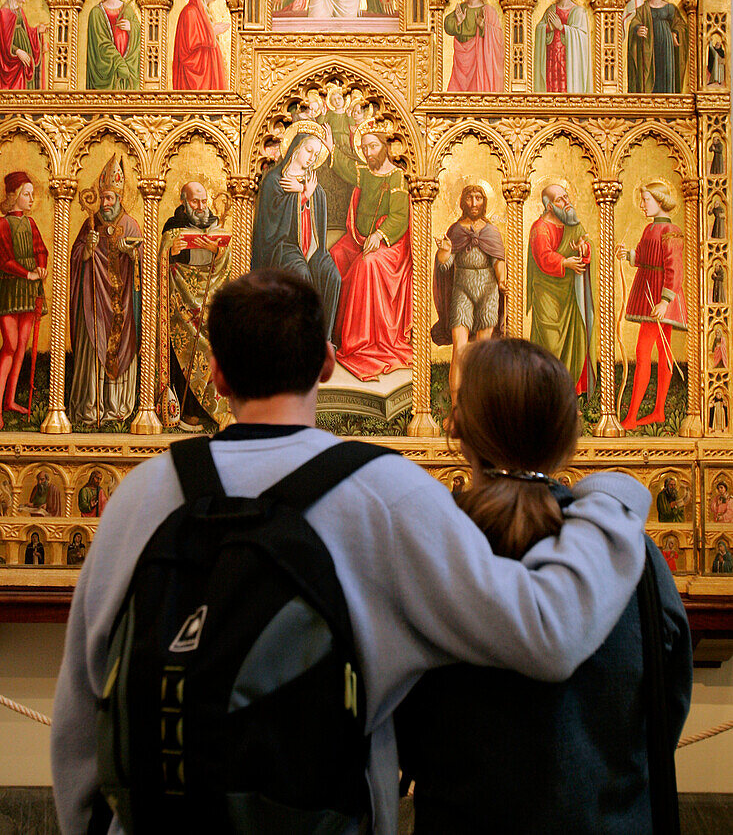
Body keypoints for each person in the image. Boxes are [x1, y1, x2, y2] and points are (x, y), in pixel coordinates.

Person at [52, 268, 652, 835]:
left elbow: (83, 704)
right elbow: (546, 630)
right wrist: (610, 500)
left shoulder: (142, 494)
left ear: (216, 375)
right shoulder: (385, 492)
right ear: (328, 362)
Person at [396, 337, 691, 835]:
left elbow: (398, 712)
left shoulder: (431, 547)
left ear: (457, 427)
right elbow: (666, 701)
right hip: (610, 818)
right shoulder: (630, 552)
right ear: (569, 434)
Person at [325, 119, 412, 379]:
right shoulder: (365, 171)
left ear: (384, 146)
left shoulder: (397, 176)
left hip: (390, 246)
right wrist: (331, 148)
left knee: (367, 265)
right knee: (334, 256)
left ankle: (361, 340)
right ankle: (334, 333)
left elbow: (399, 216)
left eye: (373, 146)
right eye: (364, 148)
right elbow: (345, 168)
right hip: (359, 239)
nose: (368, 152)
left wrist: (381, 234)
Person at [69, 155, 142, 426]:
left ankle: (117, 407)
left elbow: (144, 262)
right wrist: (87, 248)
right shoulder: (91, 224)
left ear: (121, 198)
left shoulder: (131, 224)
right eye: (104, 199)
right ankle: (91, 407)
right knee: (92, 345)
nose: (106, 204)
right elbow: (76, 257)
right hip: (94, 303)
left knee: (121, 347)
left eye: (111, 198)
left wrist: (131, 253)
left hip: (122, 304)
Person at [252, 124, 341, 341]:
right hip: (283, 246)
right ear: (296, 148)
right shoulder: (274, 179)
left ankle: (324, 341)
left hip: (312, 248)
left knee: (333, 276)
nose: (312, 157)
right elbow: (271, 220)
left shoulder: (311, 181)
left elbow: (318, 205)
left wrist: (307, 193)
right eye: (309, 150)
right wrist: (301, 196)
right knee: (302, 275)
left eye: (316, 154)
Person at [159, 180, 230, 430]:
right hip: (181, 303)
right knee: (182, 356)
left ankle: (212, 412)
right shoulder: (173, 227)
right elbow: (160, 263)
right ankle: (187, 411)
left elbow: (227, 265)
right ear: (183, 202)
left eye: (203, 201)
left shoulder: (215, 226)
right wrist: (170, 251)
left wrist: (218, 253)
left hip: (210, 299)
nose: (200, 207)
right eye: (194, 201)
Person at [617, 180, 687, 430]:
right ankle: (657, 412)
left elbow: (675, 269)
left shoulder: (672, 231)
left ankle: (632, 417)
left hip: (660, 297)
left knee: (644, 351)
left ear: (659, 201)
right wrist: (628, 255)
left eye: (646, 200)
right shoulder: (649, 230)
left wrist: (665, 301)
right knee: (661, 351)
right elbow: (644, 256)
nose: (642, 205)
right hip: (648, 290)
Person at [432, 184, 506, 411]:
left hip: (488, 291)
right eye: (470, 198)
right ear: (463, 202)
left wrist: (502, 279)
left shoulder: (492, 232)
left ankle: (480, 408)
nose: (474, 203)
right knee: (460, 349)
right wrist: (444, 251)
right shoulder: (455, 230)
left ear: (484, 202)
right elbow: (445, 266)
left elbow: (498, 259)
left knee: (483, 350)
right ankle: (456, 410)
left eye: (478, 198)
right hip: (461, 290)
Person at [526, 183, 595, 395]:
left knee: (572, 343)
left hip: (569, 292)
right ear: (549, 206)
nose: (566, 203)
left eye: (566, 197)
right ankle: (546, 393)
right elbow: (543, 257)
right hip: (547, 292)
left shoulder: (573, 225)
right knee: (551, 342)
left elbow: (585, 244)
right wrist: (565, 263)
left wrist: (584, 249)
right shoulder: (540, 228)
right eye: (560, 200)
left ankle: (567, 394)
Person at [0, 172, 47, 425]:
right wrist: (27, 273)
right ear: (14, 196)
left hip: (29, 291)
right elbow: (5, 259)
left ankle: (10, 400)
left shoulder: (31, 224)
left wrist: (41, 267)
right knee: (9, 344)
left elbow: (41, 249)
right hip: (9, 289)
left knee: (22, 347)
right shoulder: (2, 225)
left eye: (32, 194)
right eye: (26, 194)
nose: (31, 199)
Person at [627, 0, 687, 94]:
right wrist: (637, 29)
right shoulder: (643, 8)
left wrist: (675, 33)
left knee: (665, 73)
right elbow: (634, 22)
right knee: (649, 74)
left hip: (666, 48)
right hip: (649, 48)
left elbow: (681, 25)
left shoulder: (670, 8)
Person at [444, 0, 503, 92]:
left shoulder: (488, 11)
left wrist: (484, 27)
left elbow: (499, 39)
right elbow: (447, 26)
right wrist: (459, 22)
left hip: (479, 61)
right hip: (461, 63)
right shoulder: (460, 9)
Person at [533, 0, 591, 93]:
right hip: (551, 58)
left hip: (569, 60)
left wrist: (562, 28)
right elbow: (539, 28)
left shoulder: (579, 11)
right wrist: (548, 28)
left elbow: (582, 38)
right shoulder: (551, 10)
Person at [172, 0, 229, 91]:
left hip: (209, 74)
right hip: (196, 79)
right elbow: (190, 46)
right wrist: (213, 32)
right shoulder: (190, 12)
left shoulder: (203, 12)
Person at [85, 0, 141, 90]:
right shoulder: (96, 13)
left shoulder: (128, 10)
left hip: (128, 70)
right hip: (107, 72)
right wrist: (119, 63)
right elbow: (101, 44)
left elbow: (142, 35)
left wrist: (131, 27)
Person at [0, 0, 47, 90]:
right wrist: (17, 51)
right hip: (15, 61)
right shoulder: (4, 13)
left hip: (24, 60)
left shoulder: (19, 11)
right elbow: (3, 43)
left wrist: (37, 31)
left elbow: (26, 31)